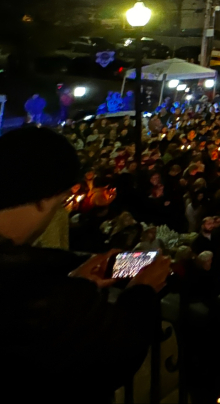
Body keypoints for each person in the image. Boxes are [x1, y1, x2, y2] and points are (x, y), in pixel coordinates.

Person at [0, 127, 171, 403]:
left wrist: (79, 279)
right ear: (44, 198)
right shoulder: (33, 298)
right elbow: (112, 355)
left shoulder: (26, 271)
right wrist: (143, 291)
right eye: (61, 201)